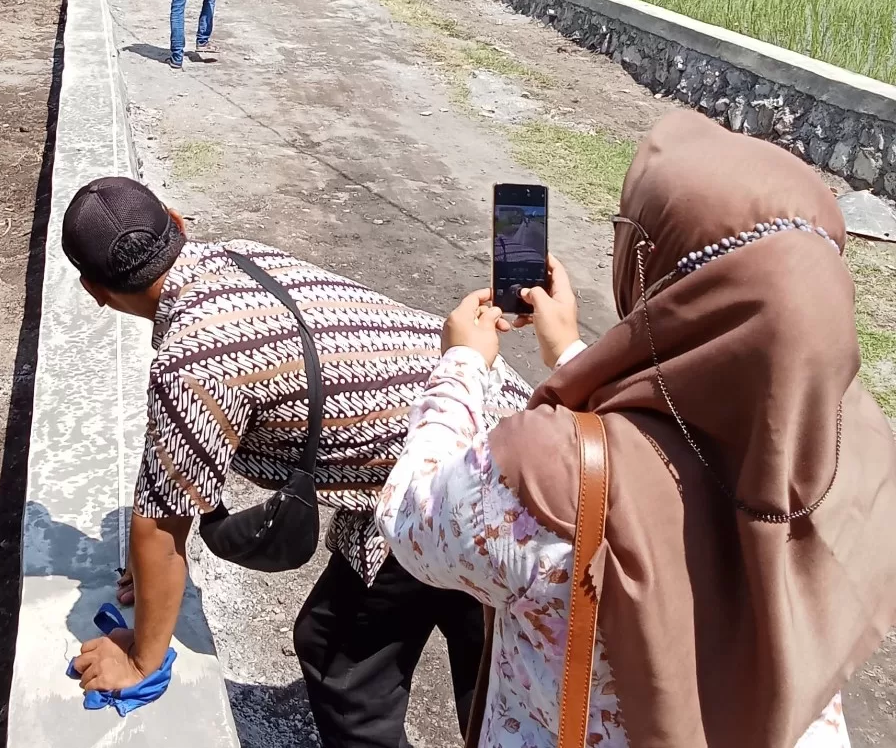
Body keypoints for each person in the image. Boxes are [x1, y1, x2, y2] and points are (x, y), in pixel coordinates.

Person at [377, 111, 896, 748]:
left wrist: (461, 364)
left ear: (646, 270)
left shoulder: (550, 472)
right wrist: (573, 353)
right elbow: (691, 416)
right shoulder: (861, 457)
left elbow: (413, 521)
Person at [61, 176, 534, 748]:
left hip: (446, 475)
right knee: (488, 652)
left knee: (340, 658)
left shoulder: (191, 365)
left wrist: (139, 661)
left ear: (94, 290)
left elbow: (161, 529)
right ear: (179, 222)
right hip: (510, 431)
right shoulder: (241, 256)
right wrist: (147, 571)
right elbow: (168, 486)